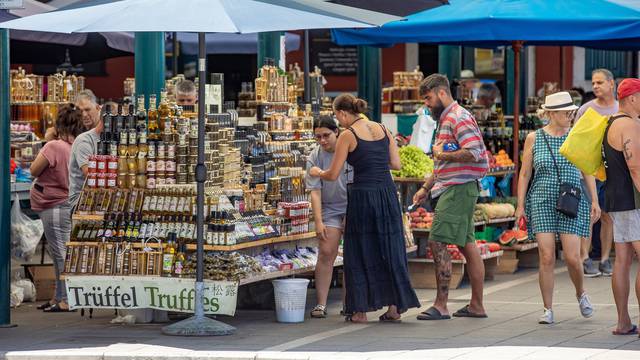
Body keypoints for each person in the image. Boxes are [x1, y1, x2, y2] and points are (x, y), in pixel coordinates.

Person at [309, 94, 420, 323]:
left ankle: (360, 311)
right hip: (387, 194)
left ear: (341, 113)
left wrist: (317, 172)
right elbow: (396, 165)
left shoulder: (348, 135)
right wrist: (374, 161)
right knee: (389, 248)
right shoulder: (382, 128)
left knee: (359, 250)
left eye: (337, 116)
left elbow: (332, 174)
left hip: (363, 195)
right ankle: (394, 308)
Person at [515, 91, 600, 325]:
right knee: (546, 256)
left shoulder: (576, 135)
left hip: (571, 199)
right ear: (551, 113)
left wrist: (594, 200)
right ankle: (547, 308)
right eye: (566, 113)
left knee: (573, 257)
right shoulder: (534, 138)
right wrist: (520, 205)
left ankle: (580, 293)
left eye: (572, 112)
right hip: (541, 199)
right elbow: (525, 173)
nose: (571, 116)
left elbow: (587, 170)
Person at [412, 74, 489, 321]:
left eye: (428, 97)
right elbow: (442, 161)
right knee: (467, 246)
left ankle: (441, 305)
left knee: (437, 242)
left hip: (457, 189)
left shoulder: (458, 117)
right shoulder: (445, 120)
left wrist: (443, 156)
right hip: (455, 187)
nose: (426, 103)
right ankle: (476, 305)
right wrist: (426, 188)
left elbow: (475, 152)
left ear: (442, 93)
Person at [30, 104, 84, 312]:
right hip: (66, 203)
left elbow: (35, 169)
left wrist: (47, 139)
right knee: (59, 251)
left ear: (58, 124)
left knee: (60, 253)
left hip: (53, 205)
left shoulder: (53, 147)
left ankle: (67, 299)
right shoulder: (76, 147)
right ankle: (58, 296)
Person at [603, 78, 640, 336]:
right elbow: (636, 168)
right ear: (633, 98)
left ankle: (623, 321)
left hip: (618, 200)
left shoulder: (611, 123)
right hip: (634, 201)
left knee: (623, 261)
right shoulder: (629, 124)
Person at [305, 116, 352, 318]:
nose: (323, 140)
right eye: (318, 137)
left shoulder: (350, 151)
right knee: (326, 251)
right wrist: (318, 221)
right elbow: (314, 191)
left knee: (352, 255)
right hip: (330, 208)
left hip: (353, 206)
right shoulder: (314, 156)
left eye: (326, 135)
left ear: (337, 133)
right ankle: (321, 304)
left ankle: (349, 303)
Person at [576, 69, 619, 278]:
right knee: (589, 214)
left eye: (600, 82)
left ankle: (604, 259)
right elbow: (575, 141)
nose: (595, 86)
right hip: (588, 170)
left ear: (611, 84)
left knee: (607, 215)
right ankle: (585, 258)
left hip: (613, 171)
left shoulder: (620, 109)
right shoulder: (585, 110)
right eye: (593, 83)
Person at [68, 89, 102, 211]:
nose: (83, 115)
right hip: (81, 201)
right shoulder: (82, 138)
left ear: (98, 108)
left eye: (87, 110)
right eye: (80, 111)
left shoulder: (104, 136)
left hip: (97, 199)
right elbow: (91, 175)